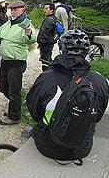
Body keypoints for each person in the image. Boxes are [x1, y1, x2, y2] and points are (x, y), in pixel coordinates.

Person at [27, 29, 109, 162]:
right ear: (86, 52)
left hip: (47, 145)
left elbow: (34, 111)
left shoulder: (46, 78)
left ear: (61, 49)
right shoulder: (100, 81)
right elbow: (97, 116)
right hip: (82, 147)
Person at [0, 0, 36, 125]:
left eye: (16, 9)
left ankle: (14, 117)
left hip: (17, 62)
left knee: (14, 91)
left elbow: (32, 39)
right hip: (5, 62)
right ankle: (14, 106)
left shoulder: (26, 24)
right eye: (12, 10)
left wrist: (29, 34)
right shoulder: (9, 23)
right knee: (4, 87)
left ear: (23, 10)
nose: (13, 11)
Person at [37, 3, 57, 71]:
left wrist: (40, 43)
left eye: (46, 8)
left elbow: (44, 33)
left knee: (45, 61)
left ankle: (47, 76)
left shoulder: (48, 20)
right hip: (50, 42)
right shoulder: (54, 18)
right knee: (48, 59)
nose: (44, 10)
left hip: (46, 43)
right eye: (44, 8)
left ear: (51, 9)